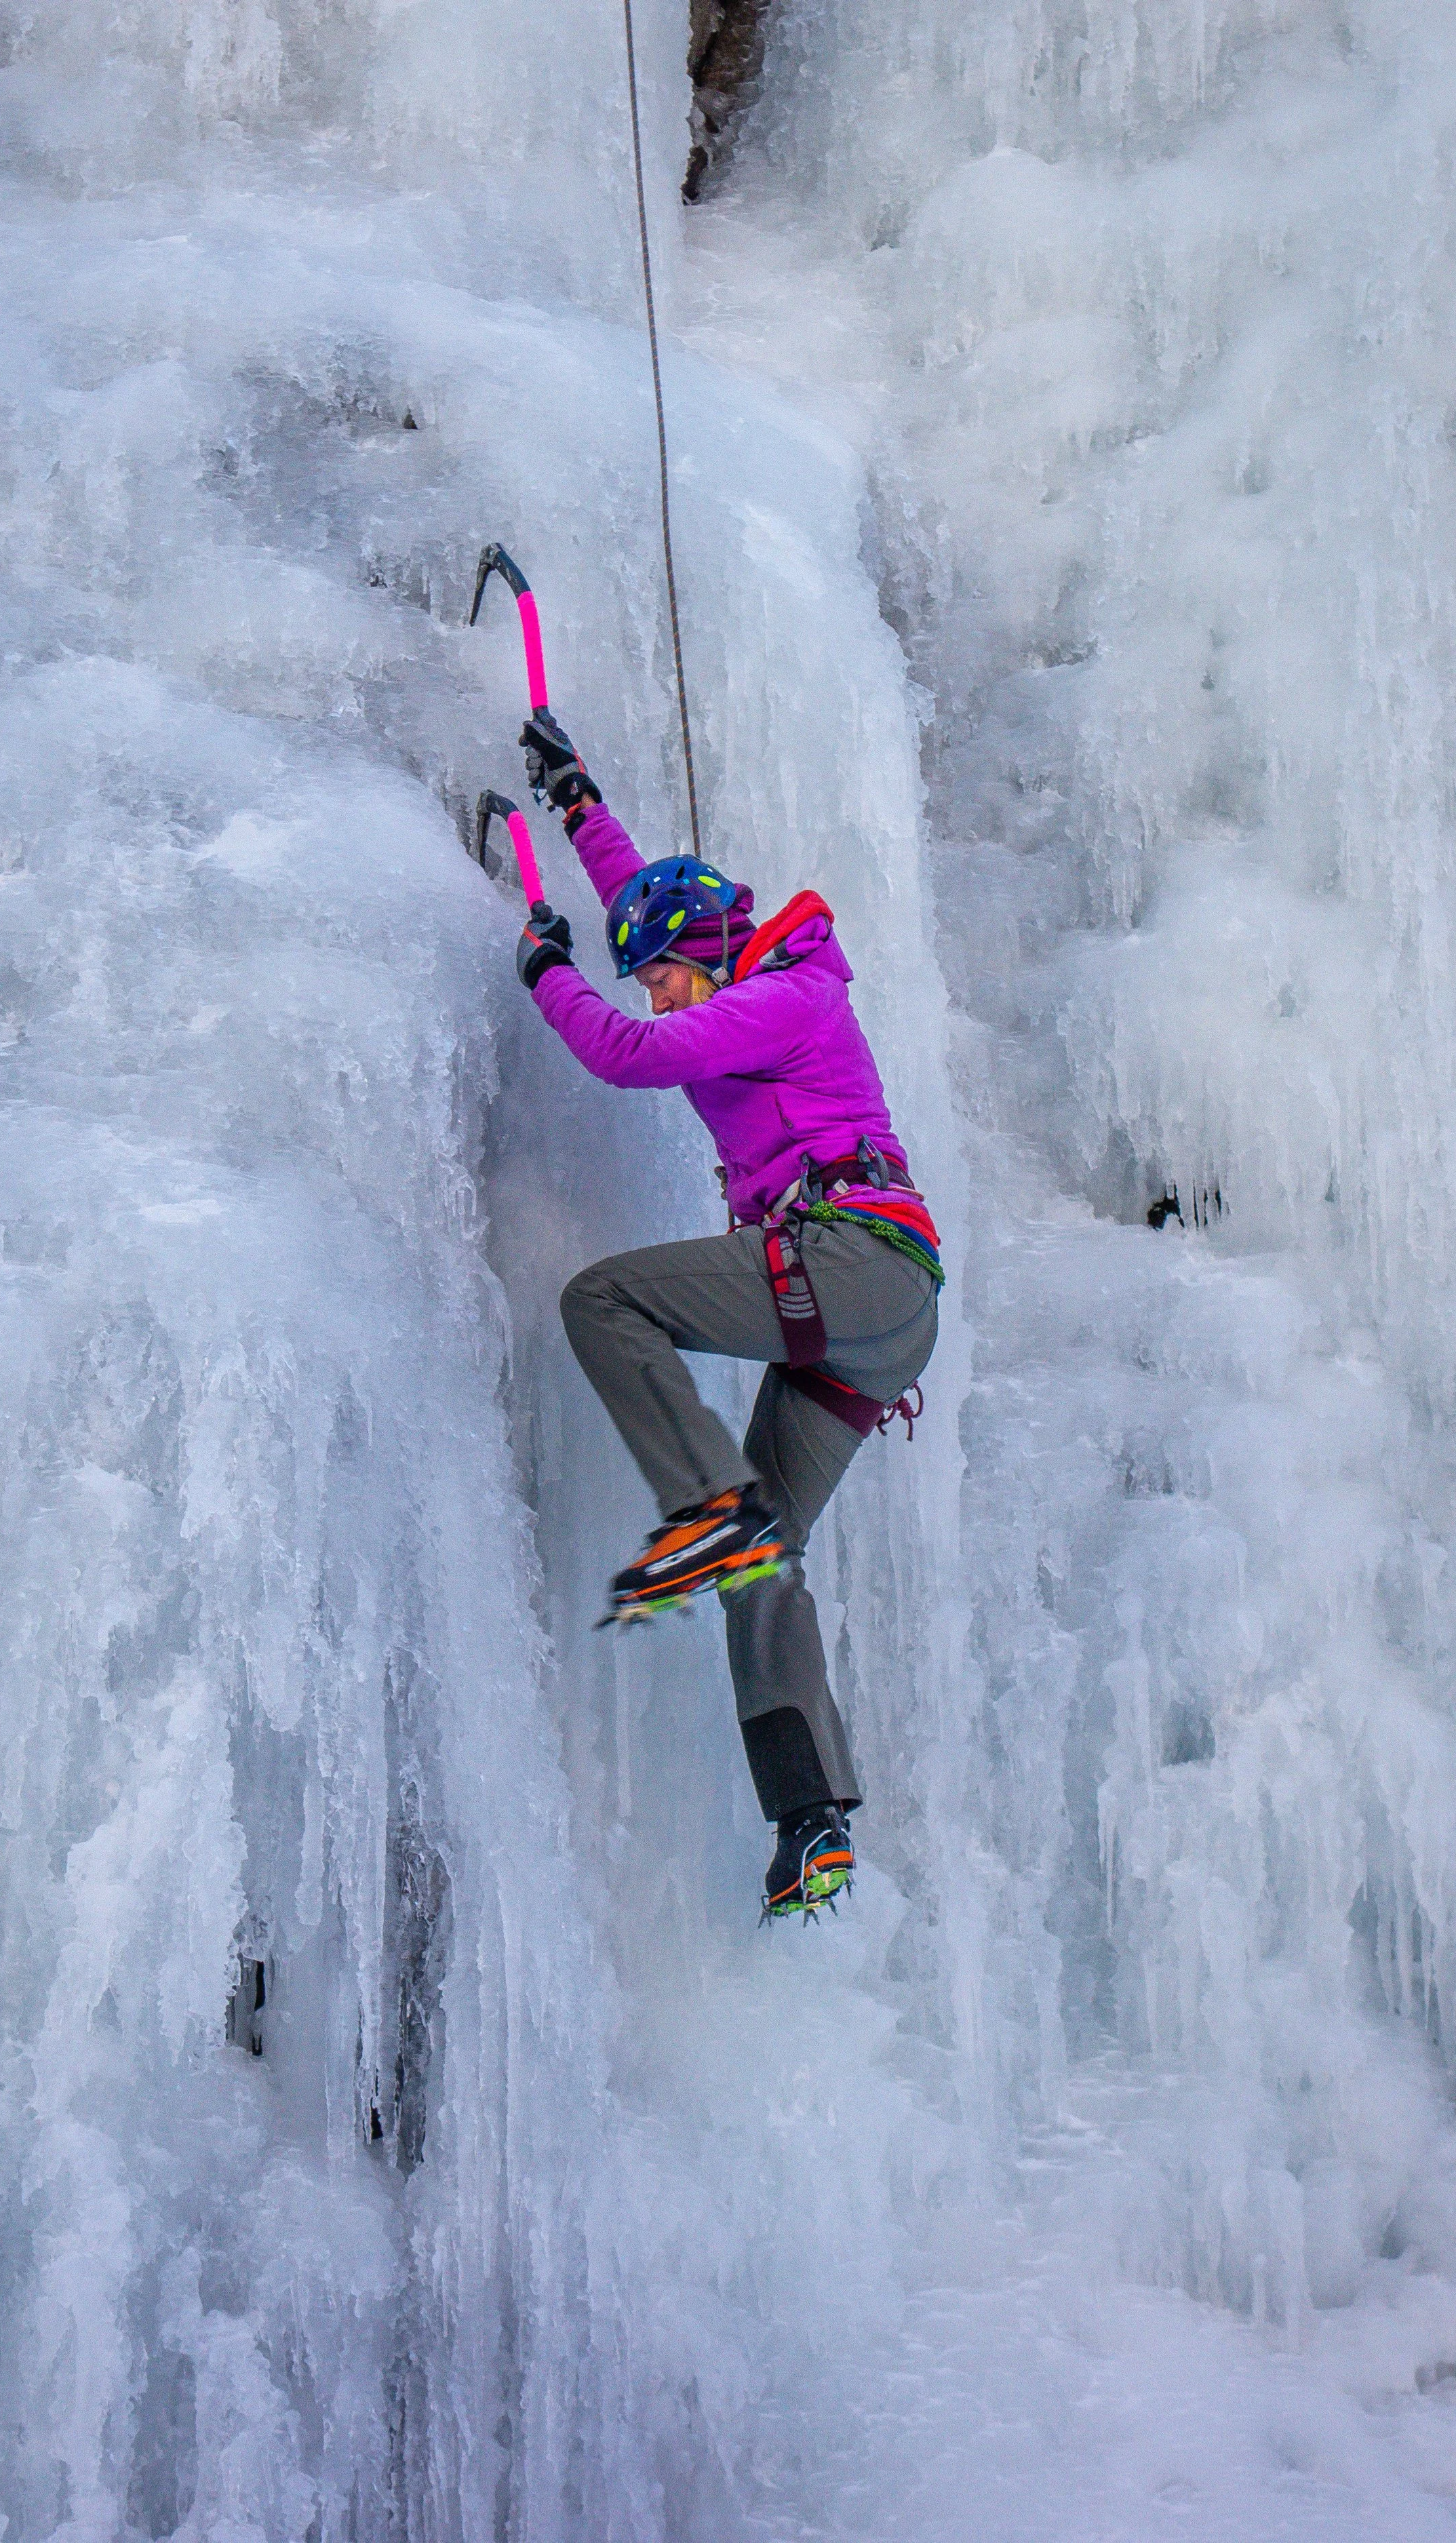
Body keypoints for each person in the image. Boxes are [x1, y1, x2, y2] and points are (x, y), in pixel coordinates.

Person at [510, 711, 942, 1918]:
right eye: (644, 975)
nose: (653, 994)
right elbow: (649, 901)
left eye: (661, 973)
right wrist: (578, 803)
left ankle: (711, 1506)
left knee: (605, 1300)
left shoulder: (787, 994)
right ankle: (813, 1821)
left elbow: (623, 1053)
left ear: (710, 952)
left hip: (852, 1259)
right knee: (766, 1565)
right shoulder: (724, 972)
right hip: (872, 1318)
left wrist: (548, 971)